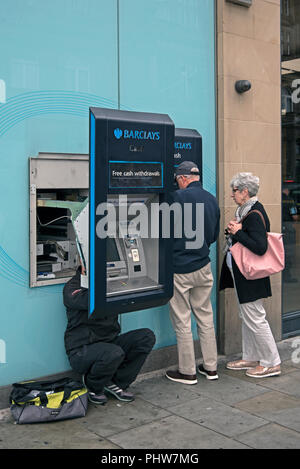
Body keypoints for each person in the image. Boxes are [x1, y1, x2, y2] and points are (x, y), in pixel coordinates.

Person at [63, 266, 156, 404]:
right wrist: (113, 286)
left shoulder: (109, 284)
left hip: (109, 344)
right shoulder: (72, 287)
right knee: (113, 353)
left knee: (146, 337)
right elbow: (86, 299)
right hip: (81, 350)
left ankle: (116, 382)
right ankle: (93, 385)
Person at [220, 172, 281, 378]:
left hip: (251, 276)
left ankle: (271, 362)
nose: (232, 195)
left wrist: (238, 232)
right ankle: (251, 356)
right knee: (247, 316)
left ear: (245, 192)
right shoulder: (246, 211)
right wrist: (236, 230)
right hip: (244, 275)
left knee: (255, 317)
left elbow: (260, 247)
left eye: (235, 191)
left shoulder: (254, 214)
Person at [165, 161, 220, 385]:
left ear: (184, 178)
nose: (178, 183)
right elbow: (214, 235)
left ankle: (187, 372)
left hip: (179, 268)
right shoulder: (212, 199)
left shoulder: (177, 198)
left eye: (178, 179)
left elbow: (164, 233)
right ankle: (211, 367)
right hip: (203, 265)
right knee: (205, 318)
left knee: (182, 320)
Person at [282, 186, 299, 283]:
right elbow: (295, 216)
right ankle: (287, 276)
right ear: (287, 190)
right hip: (288, 228)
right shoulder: (290, 201)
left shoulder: (279, 199)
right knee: (288, 252)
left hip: (281, 228)